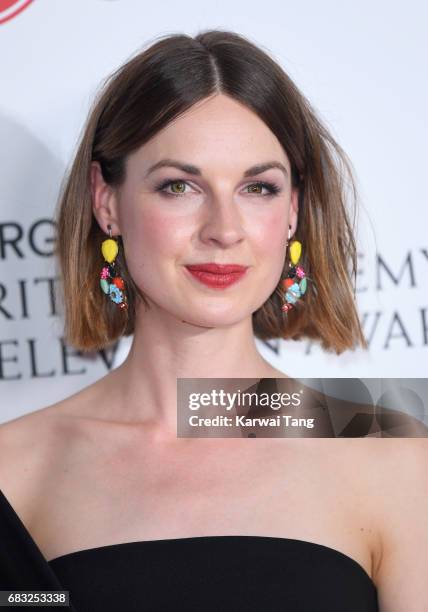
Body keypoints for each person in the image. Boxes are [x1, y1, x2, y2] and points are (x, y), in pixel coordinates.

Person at [0, 29, 426, 612]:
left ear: (294, 210)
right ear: (107, 202)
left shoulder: (394, 457)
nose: (224, 228)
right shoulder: (13, 473)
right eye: (180, 186)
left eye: (258, 187)